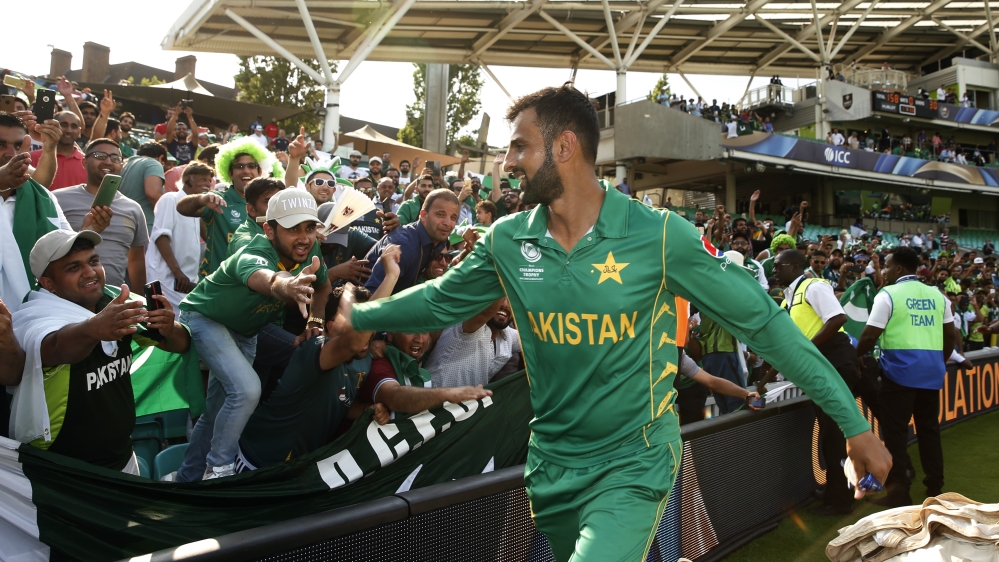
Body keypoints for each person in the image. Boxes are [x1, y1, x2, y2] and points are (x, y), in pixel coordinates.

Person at [342, 83, 889, 562]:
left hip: (633, 460)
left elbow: (767, 327)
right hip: (550, 465)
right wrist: (362, 314)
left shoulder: (659, 235)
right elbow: (442, 301)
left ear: (564, 147)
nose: (508, 162)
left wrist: (854, 424)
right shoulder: (508, 239)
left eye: (519, 146)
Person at [176, 188, 330, 481]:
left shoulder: (310, 251)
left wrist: (316, 321)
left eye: (310, 228)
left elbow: (323, 285)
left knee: (218, 410)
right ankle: (219, 470)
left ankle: (187, 479)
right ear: (269, 230)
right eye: (293, 228)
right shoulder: (252, 250)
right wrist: (287, 286)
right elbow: (270, 279)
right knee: (247, 391)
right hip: (206, 318)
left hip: (246, 329)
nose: (304, 237)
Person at [10, 229, 190, 472]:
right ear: (48, 284)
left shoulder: (112, 302)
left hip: (124, 457)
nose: (90, 272)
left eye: (93, 261)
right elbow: (57, 348)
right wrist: (94, 328)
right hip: (62, 470)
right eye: (74, 267)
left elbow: (180, 345)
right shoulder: (35, 317)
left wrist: (169, 327)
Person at [235, 263, 401, 471]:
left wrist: (368, 410)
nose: (366, 331)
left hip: (296, 471)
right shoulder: (314, 347)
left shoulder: (364, 359)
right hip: (257, 460)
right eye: (356, 319)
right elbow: (352, 342)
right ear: (331, 327)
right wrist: (391, 276)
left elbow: (340, 401)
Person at [768, 249, 870, 516]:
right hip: (821, 367)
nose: (774, 270)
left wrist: (808, 350)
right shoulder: (789, 299)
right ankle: (836, 488)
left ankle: (841, 500)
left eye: (779, 265)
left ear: (795, 266)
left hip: (834, 363)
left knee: (835, 435)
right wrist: (765, 377)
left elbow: (838, 319)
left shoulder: (814, 286)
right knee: (830, 434)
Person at [857, 247, 953, 508]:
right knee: (929, 431)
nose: (884, 271)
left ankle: (899, 493)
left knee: (896, 435)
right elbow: (950, 335)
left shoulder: (888, 294)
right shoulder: (938, 295)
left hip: (898, 375)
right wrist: (939, 362)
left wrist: (855, 356)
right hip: (930, 375)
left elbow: (869, 335)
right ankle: (936, 489)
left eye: (887, 266)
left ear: (898, 268)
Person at [176, 137, 282, 279]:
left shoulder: (269, 203)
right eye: (239, 167)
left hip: (254, 282)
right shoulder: (217, 199)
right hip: (217, 285)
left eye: (251, 166)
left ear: (259, 171)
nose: (246, 171)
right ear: (229, 173)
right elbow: (182, 207)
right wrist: (201, 199)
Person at [53, 139, 148, 288]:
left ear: (122, 165)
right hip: (68, 294)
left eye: (115, 158)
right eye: (100, 156)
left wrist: (141, 298)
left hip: (114, 296)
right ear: (84, 162)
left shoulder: (133, 208)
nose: (108, 162)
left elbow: (136, 261)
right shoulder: (57, 199)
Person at [363, 188, 457, 295]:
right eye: (440, 215)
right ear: (423, 215)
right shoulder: (403, 246)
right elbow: (369, 299)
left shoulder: (439, 240)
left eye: (453, 218)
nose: (447, 223)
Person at [146, 162, 212, 309]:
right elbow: (160, 237)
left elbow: (208, 237)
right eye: (203, 179)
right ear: (188, 180)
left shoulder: (196, 208)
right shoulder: (170, 198)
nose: (208, 184)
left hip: (185, 280)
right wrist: (177, 272)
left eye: (209, 180)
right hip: (167, 277)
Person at [118, 141, 168, 235]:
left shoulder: (124, 164)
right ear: (161, 158)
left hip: (120, 225)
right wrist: (170, 212)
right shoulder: (153, 163)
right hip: (144, 229)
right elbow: (152, 194)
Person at [30, 111, 87, 191]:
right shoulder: (31, 158)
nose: (69, 130)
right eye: (64, 125)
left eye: (74, 126)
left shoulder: (87, 163)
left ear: (79, 132)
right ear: (53, 127)